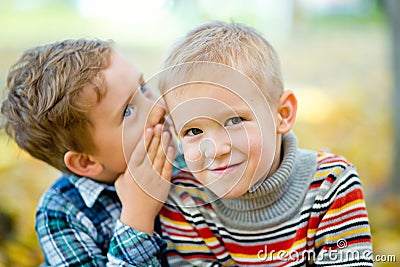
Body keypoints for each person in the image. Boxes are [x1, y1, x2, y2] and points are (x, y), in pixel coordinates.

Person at [157, 21, 374, 266]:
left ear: (282, 114)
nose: (216, 149)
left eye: (234, 120)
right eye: (194, 130)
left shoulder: (331, 185)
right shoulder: (185, 198)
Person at [1, 38, 176, 266]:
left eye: (143, 87)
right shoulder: (61, 214)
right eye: (127, 112)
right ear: (85, 162)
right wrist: (137, 216)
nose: (158, 107)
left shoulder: (185, 156)